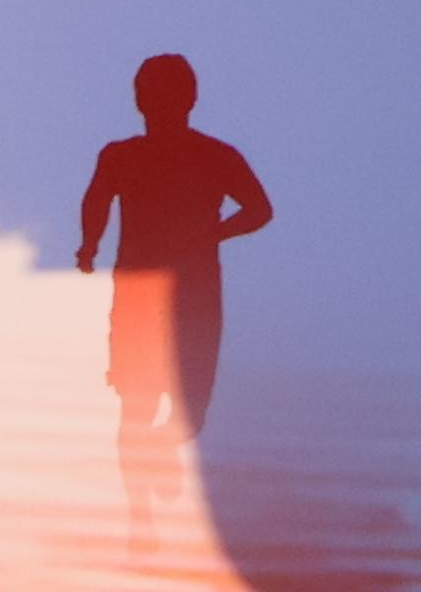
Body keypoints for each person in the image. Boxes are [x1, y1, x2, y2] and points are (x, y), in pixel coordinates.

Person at [77, 54, 274, 546]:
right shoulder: (127, 157)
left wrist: (89, 247)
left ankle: (150, 478)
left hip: (177, 296)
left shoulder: (209, 156)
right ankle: (141, 520)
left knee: (166, 410)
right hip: (162, 295)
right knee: (153, 408)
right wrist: (89, 245)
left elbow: (260, 209)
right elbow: (258, 211)